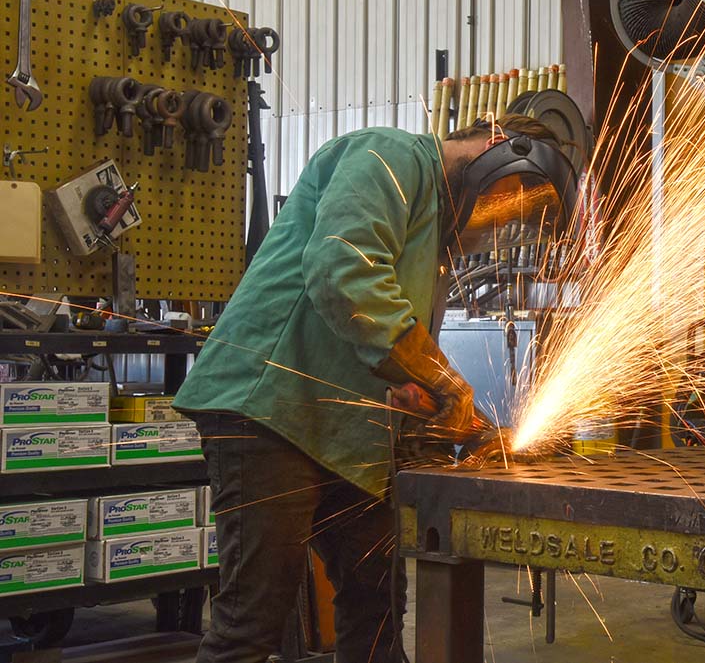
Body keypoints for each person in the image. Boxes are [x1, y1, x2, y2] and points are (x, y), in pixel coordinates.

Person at [174, 114, 579, 663]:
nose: (495, 227)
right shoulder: (387, 155)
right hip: (268, 410)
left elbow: (386, 348)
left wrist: (421, 400)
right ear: (499, 147)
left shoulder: (434, 235)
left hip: (342, 437)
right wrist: (439, 378)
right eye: (507, 206)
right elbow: (342, 270)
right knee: (251, 624)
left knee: (377, 603)